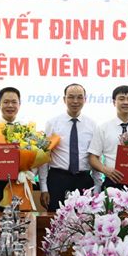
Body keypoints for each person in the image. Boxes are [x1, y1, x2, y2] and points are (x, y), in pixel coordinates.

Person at [39, 83, 97, 211]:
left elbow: (95, 157)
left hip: (83, 180)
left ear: (85, 99)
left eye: (79, 97)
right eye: (71, 97)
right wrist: (43, 188)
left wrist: (97, 187)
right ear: (64, 99)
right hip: (58, 180)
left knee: (85, 220)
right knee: (55, 219)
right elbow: (44, 157)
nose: (75, 101)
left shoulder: (92, 125)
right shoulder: (52, 123)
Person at [88, 84, 128, 190]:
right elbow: (92, 157)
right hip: (112, 181)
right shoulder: (103, 128)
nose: (126, 102)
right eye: (121, 99)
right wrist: (105, 170)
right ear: (114, 102)